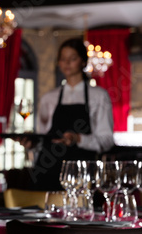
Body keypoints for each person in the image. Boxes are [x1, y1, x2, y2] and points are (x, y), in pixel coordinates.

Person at [29, 37, 114, 190]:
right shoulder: (49, 98)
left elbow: (106, 140)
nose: (66, 63)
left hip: (83, 172)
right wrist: (32, 143)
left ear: (83, 61)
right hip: (48, 169)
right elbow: (43, 137)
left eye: (72, 58)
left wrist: (78, 139)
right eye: (62, 59)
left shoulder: (99, 96)